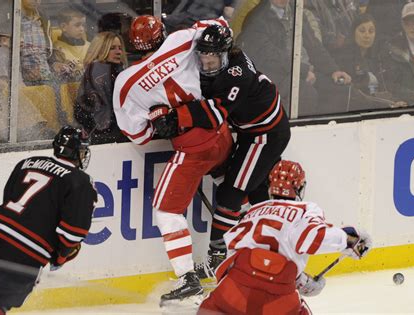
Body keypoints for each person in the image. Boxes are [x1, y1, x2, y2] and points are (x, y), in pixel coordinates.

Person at [152, 24, 291, 280]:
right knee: (256, 192)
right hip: (251, 131)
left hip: (265, 136)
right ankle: (264, 248)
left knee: (231, 193)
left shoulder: (236, 74)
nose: (206, 64)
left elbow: (215, 114)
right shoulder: (221, 63)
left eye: (212, 58)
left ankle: (218, 256)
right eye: (202, 58)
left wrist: (178, 116)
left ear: (225, 54)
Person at [113, 15, 233, 305]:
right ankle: (237, 254)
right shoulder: (180, 40)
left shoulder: (125, 83)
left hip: (192, 148)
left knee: (166, 210)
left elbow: (138, 136)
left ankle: (187, 278)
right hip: (221, 131)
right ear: (162, 32)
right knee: (230, 185)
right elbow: (220, 25)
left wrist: (160, 122)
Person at [0, 126, 97, 314]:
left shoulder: (27, 162)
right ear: (76, 152)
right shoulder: (80, 181)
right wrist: (60, 256)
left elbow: (8, 198)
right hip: (28, 251)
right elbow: (73, 232)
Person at [197, 160, 372, 315]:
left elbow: (237, 259)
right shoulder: (305, 209)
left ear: (269, 186)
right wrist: (348, 241)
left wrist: (300, 280)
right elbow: (310, 237)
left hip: (233, 291)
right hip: (276, 300)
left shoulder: (254, 211)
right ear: (300, 188)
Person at [74, 31, 128, 144]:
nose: (118, 52)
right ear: (101, 50)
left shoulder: (116, 70)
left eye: (120, 48)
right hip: (106, 135)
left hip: (110, 132)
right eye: (112, 48)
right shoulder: (99, 71)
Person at [380, 1, 414, 106]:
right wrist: (412, 95)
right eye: (410, 22)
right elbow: (388, 85)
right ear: (403, 24)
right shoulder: (390, 50)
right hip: (406, 107)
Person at [53, 8, 91, 82]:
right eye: (77, 25)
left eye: (83, 25)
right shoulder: (57, 48)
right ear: (64, 27)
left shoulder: (90, 47)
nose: (82, 29)